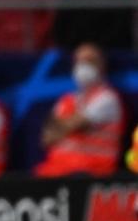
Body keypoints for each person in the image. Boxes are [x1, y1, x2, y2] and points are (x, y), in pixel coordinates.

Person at [35, 43, 124, 178]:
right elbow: (46, 138)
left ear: (102, 65)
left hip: (91, 174)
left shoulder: (107, 99)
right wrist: (68, 126)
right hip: (56, 170)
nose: (82, 66)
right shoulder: (66, 100)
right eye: (78, 61)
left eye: (89, 61)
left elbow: (72, 125)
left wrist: (65, 126)